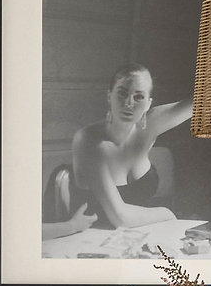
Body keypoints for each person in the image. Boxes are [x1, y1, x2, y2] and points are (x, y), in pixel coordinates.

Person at [72, 64, 192, 229]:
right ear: (109, 96)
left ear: (148, 104)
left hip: (138, 232)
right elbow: (120, 218)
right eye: (122, 94)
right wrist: (167, 213)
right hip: (93, 237)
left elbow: (203, 101)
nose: (129, 103)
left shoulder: (148, 127)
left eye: (139, 97)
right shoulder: (88, 140)